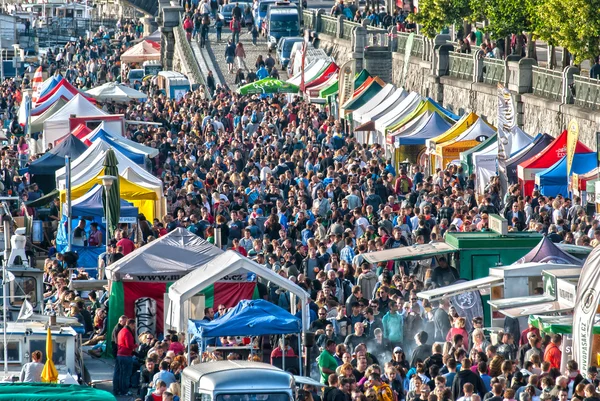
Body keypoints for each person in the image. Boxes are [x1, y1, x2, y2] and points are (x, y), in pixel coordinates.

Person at [114, 318, 137, 396]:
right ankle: (124, 391)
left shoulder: (121, 331)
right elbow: (129, 345)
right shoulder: (127, 332)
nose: (134, 327)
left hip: (119, 354)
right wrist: (136, 345)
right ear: (130, 324)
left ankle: (117, 389)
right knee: (126, 374)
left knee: (118, 373)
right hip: (126, 356)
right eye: (133, 325)